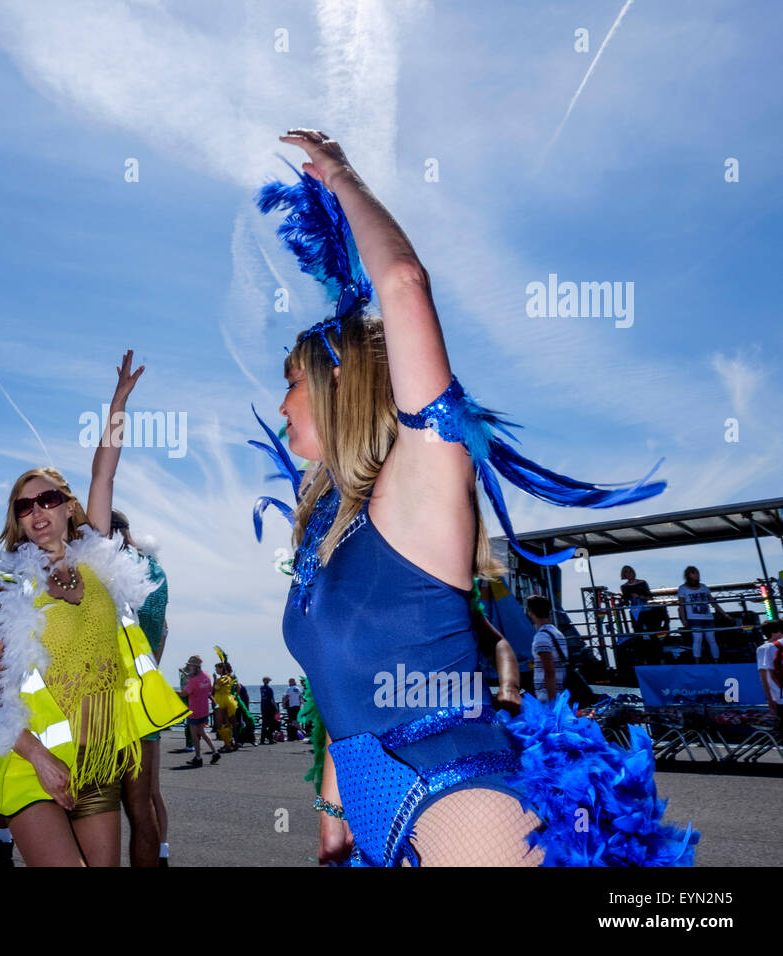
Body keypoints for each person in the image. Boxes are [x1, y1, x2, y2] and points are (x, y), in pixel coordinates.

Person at [252, 128, 695, 866]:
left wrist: (341, 176)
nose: (281, 399)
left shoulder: (417, 488)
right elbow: (339, 689)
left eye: (292, 379)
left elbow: (403, 286)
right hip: (378, 822)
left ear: (337, 385)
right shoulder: (331, 529)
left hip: (461, 804)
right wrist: (333, 811)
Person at [0, 351, 187, 866]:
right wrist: (39, 758)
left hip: (98, 762)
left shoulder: (96, 557)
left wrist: (117, 403)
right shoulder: (11, 591)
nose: (36, 511)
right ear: (19, 523)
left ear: (69, 506)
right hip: (33, 766)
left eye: (47, 498)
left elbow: (104, 473)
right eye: (23, 507)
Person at [111, 509, 172, 867]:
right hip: (146, 692)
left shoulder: (113, 568)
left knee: (101, 801)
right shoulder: (156, 571)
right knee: (144, 799)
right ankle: (158, 857)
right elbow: (163, 630)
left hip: (115, 697)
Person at [677, 566, 727, 663]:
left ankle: (716, 662)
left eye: (697, 574)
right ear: (688, 576)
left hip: (707, 617)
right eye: (693, 574)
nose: (696, 577)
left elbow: (713, 602)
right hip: (694, 618)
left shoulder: (703, 587)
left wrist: (725, 614)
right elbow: (681, 606)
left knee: (711, 639)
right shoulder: (683, 588)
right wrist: (683, 619)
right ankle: (697, 662)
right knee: (698, 639)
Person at [526, 596, 567, 704]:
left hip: (548, 697)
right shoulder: (558, 633)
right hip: (560, 693)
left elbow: (549, 671)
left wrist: (552, 702)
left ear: (530, 612)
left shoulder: (541, 637)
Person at [180, 655, 220, 766]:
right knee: (202, 732)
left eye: (190, 666)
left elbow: (184, 693)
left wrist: (171, 692)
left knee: (194, 735)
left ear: (195, 667)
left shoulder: (194, 680)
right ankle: (215, 752)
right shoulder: (206, 676)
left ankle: (198, 758)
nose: (189, 668)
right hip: (204, 709)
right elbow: (208, 690)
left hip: (194, 710)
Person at [756, 619, 782, 727]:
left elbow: (764, 676)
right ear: (775, 632)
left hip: (779, 696)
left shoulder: (764, 648)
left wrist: (770, 699)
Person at [212, 662, 238, 751]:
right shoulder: (230, 678)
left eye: (217, 668)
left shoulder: (222, 679)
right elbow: (238, 686)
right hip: (228, 700)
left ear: (221, 669)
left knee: (219, 724)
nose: (216, 670)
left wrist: (214, 679)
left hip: (220, 701)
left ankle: (227, 744)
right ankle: (230, 743)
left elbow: (215, 689)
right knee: (227, 723)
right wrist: (235, 696)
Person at [260, 677, 279, 744]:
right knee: (272, 723)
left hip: (263, 707)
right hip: (269, 708)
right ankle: (270, 738)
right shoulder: (269, 689)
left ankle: (262, 739)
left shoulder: (261, 688)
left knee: (264, 724)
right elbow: (272, 699)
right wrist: (276, 707)